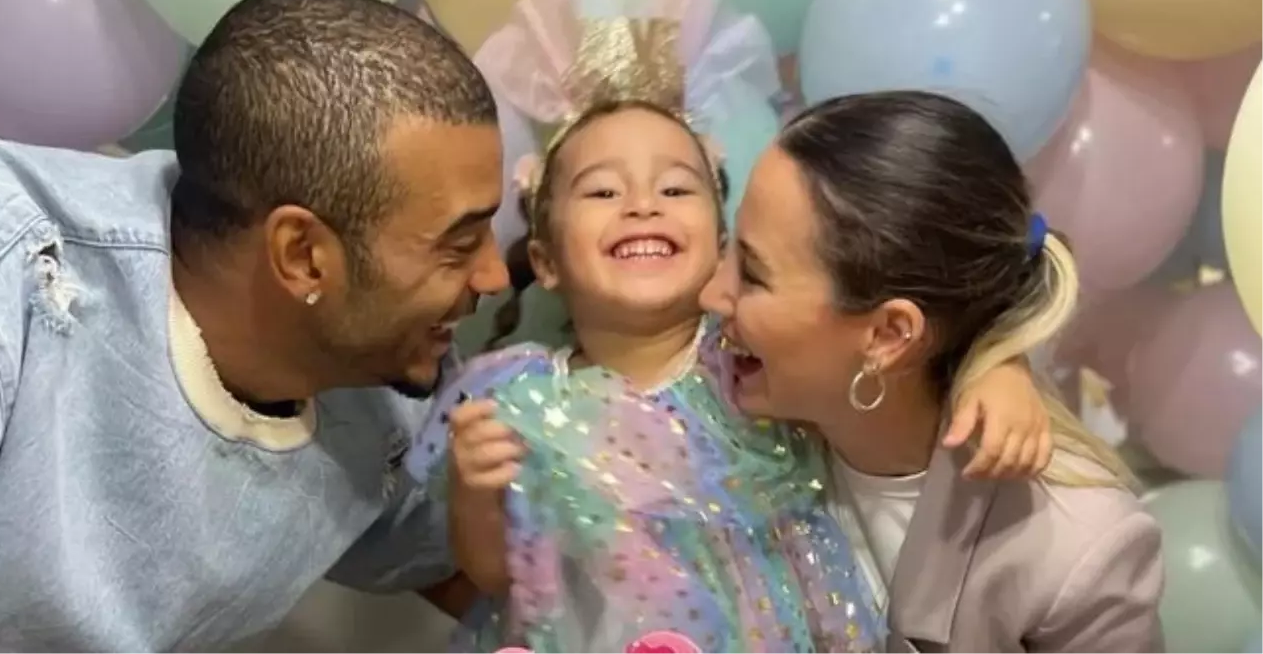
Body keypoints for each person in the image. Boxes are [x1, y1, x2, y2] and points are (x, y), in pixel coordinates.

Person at [419, 67, 1056, 650]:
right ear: (546, 261)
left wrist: (997, 369)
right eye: (603, 192)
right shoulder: (521, 402)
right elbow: (498, 579)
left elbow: (900, 353)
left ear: (726, 243)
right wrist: (476, 498)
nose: (643, 204)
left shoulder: (752, 365)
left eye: (675, 187)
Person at [0, 0, 508, 652]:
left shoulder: (387, 392)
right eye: (460, 244)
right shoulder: (12, 279)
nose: (494, 276)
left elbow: (456, 563)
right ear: (302, 255)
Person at [699, 91, 1164, 653]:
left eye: (752, 274)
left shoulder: (1076, 551)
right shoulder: (739, 428)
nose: (710, 293)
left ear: (889, 335)